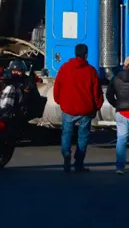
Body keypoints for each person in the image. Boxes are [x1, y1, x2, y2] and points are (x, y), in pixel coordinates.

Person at [53, 43, 103, 173]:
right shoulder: (91, 71)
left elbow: (57, 86)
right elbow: (96, 92)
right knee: (83, 136)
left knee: (66, 134)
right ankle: (79, 163)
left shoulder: (64, 68)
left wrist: (59, 100)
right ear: (86, 55)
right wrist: (97, 106)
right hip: (85, 109)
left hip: (68, 108)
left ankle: (66, 155)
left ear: (75, 53)